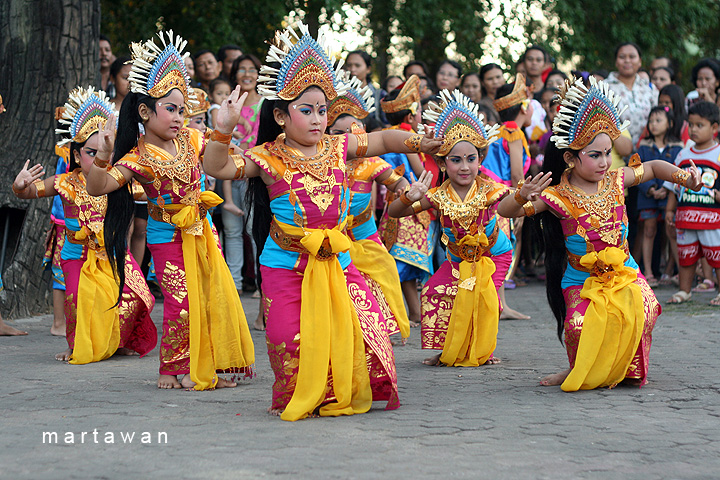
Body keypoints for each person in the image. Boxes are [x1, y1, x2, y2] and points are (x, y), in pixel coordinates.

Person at [201, 22, 443, 421]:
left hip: (337, 261)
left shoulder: (337, 146)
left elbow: (383, 140)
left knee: (358, 331)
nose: (317, 119)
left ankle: (337, 392)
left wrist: (420, 143)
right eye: (306, 110)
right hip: (284, 264)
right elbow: (220, 168)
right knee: (286, 338)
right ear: (280, 115)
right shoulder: (267, 156)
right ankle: (304, 393)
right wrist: (222, 133)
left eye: (322, 110)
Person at [498, 76, 701, 391]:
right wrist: (522, 194)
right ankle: (576, 370)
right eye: (595, 155)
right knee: (578, 326)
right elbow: (505, 212)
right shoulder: (557, 196)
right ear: (570, 157)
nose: (605, 162)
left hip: (625, 272)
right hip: (581, 279)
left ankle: (622, 368)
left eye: (607, 153)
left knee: (647, 308)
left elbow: (656, 167)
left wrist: (685, 179)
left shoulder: (617, 180)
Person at [87, 30, 255, 390]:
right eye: (171, 109)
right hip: (166, 235)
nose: (180, 117)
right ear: (145, 111)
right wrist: (102, 155)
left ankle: (211, 367)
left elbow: (216, 163)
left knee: (212, 297)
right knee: (180, 304)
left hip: (202, 229)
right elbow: (98, 187)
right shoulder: (138, 157)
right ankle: (171, 368)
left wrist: (224, 131)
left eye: (183, 109)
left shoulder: (194, 138)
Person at [13, 86, 157, 362]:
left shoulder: (118, 181)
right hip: (76, 254)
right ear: (77, 156)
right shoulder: (65, 182)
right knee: (77, 300)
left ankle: (117, 340)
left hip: (112, 252)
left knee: (137, 298)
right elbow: (30, 192)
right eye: (93, 152)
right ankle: (76, 345)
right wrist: (20, 186)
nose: (102, 156)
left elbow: (154, 193)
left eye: (108, 150)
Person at [391, 89, 533, 366]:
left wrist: (522, 197)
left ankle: (483, 352)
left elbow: (507, 209)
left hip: (494, 254)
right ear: (443, 163)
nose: (465, 167)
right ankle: (449, 351)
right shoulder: (437, 195)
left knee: (482, 300)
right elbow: (398, 213)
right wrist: (410, 195)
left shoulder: (490, 188)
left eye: (471, 159)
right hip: (457, 259)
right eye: (456, 160)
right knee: (436, 293)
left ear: (481, 160)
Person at [326, 71, 411, 342]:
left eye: (351, 133)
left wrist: (409, 193)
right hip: (330, 241)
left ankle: (373, 330)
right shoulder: (319, 165)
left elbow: (400, 185)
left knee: (384, 272)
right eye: (337, 134)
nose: (344, 141)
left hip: (365, 239)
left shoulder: (372, 164)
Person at [377, 75, 438, 329]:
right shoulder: (408, 137)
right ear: (412, 114)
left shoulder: (386, 134)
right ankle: (399, 313)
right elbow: (419, 168)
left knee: (403, 262)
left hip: (395, 198)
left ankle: (413, 311)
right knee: (405, 261)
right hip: (411, 200)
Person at [664, 101, 720, 305]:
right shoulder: (683, 155)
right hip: (685, 218)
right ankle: (684, 290)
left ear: (715, 128)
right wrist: (670, 210)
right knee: (686, 256)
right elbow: (673, 186)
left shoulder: (719, 154)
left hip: (713, 220)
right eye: (691, 125)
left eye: (700, 125)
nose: (693, 129)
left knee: (717, 257)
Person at [636, 106, 683, 286]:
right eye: (651, 121)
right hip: (648, 196)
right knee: (648, 229)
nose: (653, 125)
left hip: (669, 195)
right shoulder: (643, 146)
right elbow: (637, 171)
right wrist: (650, 189)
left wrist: (666, 188)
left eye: (658, 120)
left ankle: (678, 271)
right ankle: (648, 272)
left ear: (670, 123)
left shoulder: (678, 147)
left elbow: (679, 171)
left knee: (671, 230)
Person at [605, 43, 658, 145]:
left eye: (632, 57)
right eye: (622, 57)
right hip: (615, 153)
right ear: (616, 62)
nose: (627, 60)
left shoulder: (649, 88)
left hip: (646, 150)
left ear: (640, 62)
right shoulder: (604, 87)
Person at [345, 50, 387, 125]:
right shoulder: (340, 94)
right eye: (349, 65)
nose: (352, 69)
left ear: (368, 69)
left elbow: (387, 125)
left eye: (357, 65)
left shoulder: (380, 95)